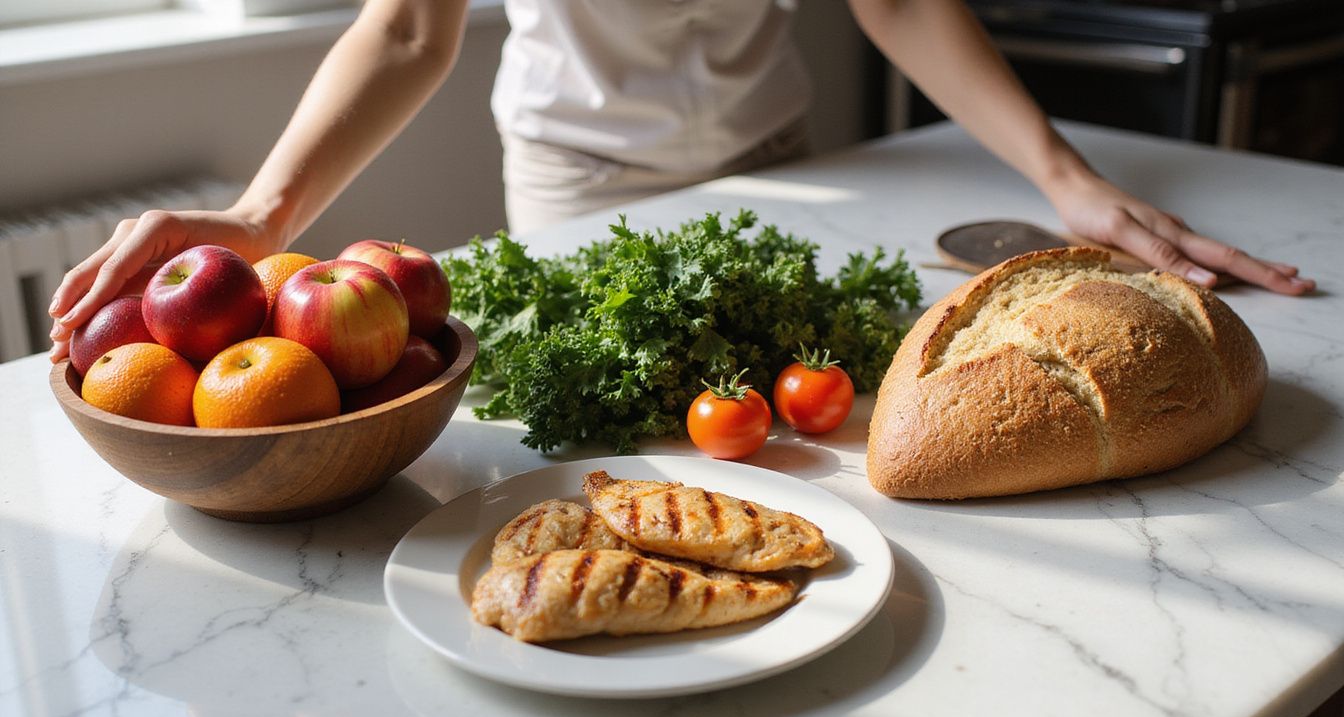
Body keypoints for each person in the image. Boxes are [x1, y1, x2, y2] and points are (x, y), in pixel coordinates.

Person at [47, 0, 1315, 362]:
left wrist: (1064, 175)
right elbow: (411, 27)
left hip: (777, 157)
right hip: (577, 169)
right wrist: (267, 215)